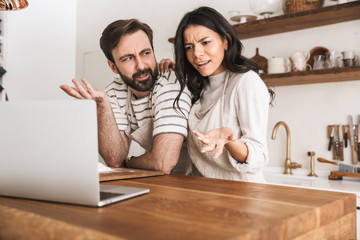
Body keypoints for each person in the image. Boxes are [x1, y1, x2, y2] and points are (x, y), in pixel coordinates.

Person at [60, 19, 192, 174]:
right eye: (128, 58)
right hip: (161, 181)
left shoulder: (170, 82)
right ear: (113, 66)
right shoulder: (115, 91)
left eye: (146, 53)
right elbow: (114, 159)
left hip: (198, 182)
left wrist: (128, 162)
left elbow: (163, 162)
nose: (141, 66)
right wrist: (102, 105)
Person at [172, 6, 275, 183]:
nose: (197, 53)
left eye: (205, 42)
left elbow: (258, 156)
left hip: (243, 196)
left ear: (225, 41)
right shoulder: (195, 88)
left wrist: (229, 142)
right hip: (205, 196)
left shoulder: (245, 81)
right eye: (189, 47)